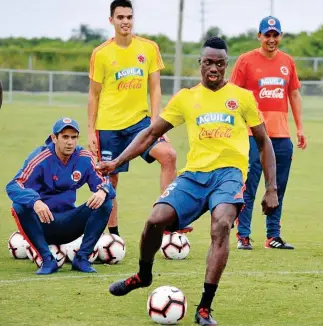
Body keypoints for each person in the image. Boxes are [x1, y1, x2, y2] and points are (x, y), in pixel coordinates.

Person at [97, 37, 279, 326]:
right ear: (201, 63)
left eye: (220, 63)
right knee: (156, 220)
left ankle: (204, 308)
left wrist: (271, 188)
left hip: (229, 175)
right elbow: (149, 134)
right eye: (209, 62)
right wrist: (117, 161)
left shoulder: (242, 98)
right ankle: (143, 276)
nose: (214, 68)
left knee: (221, 224)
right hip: (194, 176)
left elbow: (263, 142)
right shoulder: (185, 98)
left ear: (226, 65)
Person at [87, 0, 179, 236]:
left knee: (168, 155)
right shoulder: (101, 54)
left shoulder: (148, 48)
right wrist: (90, 132)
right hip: (109, 127)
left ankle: (165, 223)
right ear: (111, 21)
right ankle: (113, 237)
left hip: (141, 124)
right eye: (120, 17)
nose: (125, 21)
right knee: (111, 180)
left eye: (129, 17)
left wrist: (158, 123)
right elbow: (94, 95)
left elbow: (156, 88)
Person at [230, 16, 307, 250]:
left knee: (277, 187)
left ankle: (273, 236)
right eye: (267, 35)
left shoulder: (288, 62)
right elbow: (233, 96)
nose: (271, 39)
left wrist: (300, 127)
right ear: (259, 36)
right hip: (254, 135)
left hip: (281, 136)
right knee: (249, 187)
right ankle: (243, 235)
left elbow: (293, 94)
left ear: (280, 36)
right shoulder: (245, 61)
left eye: (275, 35)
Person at [6, 118, 115, 275]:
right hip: (43, 225)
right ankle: (47, 260)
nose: (70, 142)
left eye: (74, 137)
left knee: (105, 202)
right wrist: (35, 201)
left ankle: (82, 259)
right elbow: (13, 185)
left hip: (69, 223)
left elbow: (105, 182)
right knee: (19, 206)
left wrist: (103, 190)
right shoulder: (40, 157)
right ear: (54, 138)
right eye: (65, 137)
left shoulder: (84, 157)